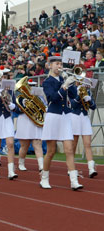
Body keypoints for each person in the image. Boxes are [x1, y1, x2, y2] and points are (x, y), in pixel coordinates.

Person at [41, 54, 83, 190]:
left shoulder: (63, 78)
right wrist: (64, 86)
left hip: (65, 116)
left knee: (69, 149)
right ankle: (44, 178)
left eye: (60, 64)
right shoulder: (47, 82)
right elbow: (52, 97)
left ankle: (74, 181)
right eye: (57, 64)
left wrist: (71, 83)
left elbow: (74, 95)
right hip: (53, 115)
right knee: (51, 151)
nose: (59, 66)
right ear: (50, 66)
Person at [14, 79, 44, 171]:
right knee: (24, 145)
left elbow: (44, 107)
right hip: (24, 121)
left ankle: (41, 166)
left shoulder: (39, 97)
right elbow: (16, 110)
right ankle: (21, 163)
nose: (31, 88)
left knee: (37, 144)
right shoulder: (20, 97)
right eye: (29, 86)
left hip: (35, 121)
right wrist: (23, 107)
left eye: (32, 86)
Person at [70, 79, 98, 178]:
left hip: (85, 117)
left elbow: (94, 107)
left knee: (87, 144)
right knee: (73, 145)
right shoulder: (71, 88)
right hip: (75, 117)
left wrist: (89, 100)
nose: (81, 80)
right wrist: (78, 96)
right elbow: (72, 105)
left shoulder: (87, 90)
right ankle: (71, 168)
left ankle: (91, 169)